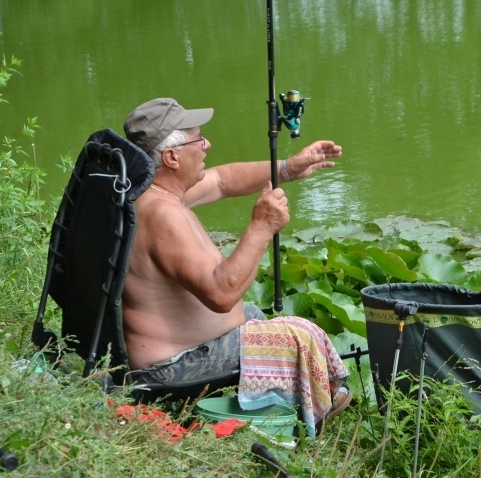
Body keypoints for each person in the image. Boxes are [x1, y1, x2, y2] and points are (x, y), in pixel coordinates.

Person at [121, 97, 351, 435]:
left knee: (257, 316)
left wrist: (288, 168)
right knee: (299, 334)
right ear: (171, 157)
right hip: (172, 367)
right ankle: (314, 410)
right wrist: (261, 225)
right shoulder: (162, 214)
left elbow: (222, 180)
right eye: (198, 139)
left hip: (181, 349)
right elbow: (221, 294)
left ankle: (316, 395)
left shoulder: (153, 192)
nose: (207, 144)